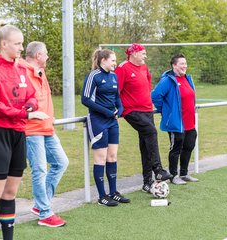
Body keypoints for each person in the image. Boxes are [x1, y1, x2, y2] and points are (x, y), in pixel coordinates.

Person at [0, 20, 49, 240]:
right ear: (3, 44)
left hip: (18, 134)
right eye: (17, 44)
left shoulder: (21, 68)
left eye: (22, 44)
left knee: (10, 194)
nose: (21, 48)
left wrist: (29, 107)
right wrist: (25, 114)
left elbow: (31, 97)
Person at [20, 41, 69, 227]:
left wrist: (51, 116)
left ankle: (42, 204)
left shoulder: (41, 72)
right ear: (38, 56)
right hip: (32, 131)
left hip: (47, 128)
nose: (48, 57)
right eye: (46, 53)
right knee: (39, 170)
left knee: (61, 162)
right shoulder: (22, 72)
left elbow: (43, 98)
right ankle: (45, 213)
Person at [115, 43, 172, 193]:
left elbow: (147, 85)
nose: (145, 56)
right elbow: (116, 91)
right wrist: (119, 108)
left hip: (147, 110)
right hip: (131, 111)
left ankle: (147, 183)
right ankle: (158, 169)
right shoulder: (122, 68)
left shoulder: (144, 67)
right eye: (143, 53)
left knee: (146, 145)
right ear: (134, 54)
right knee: (151, 132)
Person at [81, 49, 130, 207]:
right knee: (100, 158)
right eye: (113, 60)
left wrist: (120, 110)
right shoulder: (93, 76)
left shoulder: (114, 76)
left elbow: (117, 98)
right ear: (103, 61)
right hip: (98, 121)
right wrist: (107, 112)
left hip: (112, 121)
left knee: (112, 156)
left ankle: (113, 192)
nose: (115, 63)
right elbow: (85, 99)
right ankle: (102, 196)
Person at [151, 54, 198, 185]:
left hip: (190, 122)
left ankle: (184, 173)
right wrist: (166, 111)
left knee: (189, 146)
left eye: (185, 63)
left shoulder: (187, 79)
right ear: (174, 65)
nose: (185, 66)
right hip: (176, 123)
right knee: (176, 148)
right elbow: (155, 96)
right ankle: (173, 175)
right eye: (181, 64)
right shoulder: (168, 80)